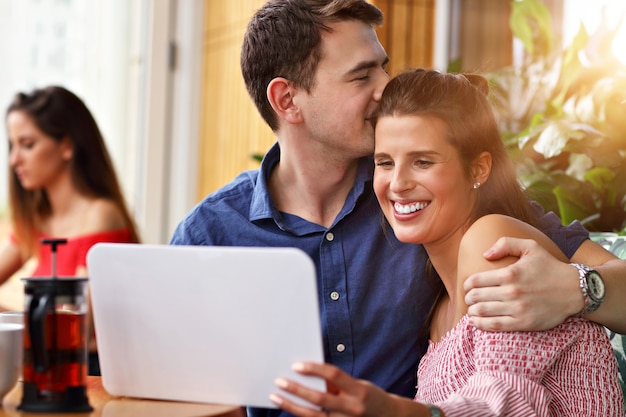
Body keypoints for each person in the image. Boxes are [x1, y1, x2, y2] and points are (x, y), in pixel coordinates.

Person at [170, 1, 626, 416]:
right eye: (361, 75)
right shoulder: (211, 234)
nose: (386, 87)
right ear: (288, 100)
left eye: (382, 68)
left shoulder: (432, 203)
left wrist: (580, 289)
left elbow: (507, 393)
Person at [269, 68, 624, 416]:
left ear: (478, 170)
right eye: (385, 162)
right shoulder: (436, 302)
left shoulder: (492, 241)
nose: (398, 183)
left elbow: (509, 403)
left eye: (423, 162)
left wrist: (395, 411)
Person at [1, 85, 140, 375]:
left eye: (27, 144)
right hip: (45, 366)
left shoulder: (101, 216)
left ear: (66, 146)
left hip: (89, 374)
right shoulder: (36, 220)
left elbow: (74, 325)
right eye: (12, 146)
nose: (14, 160)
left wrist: (10, 314)